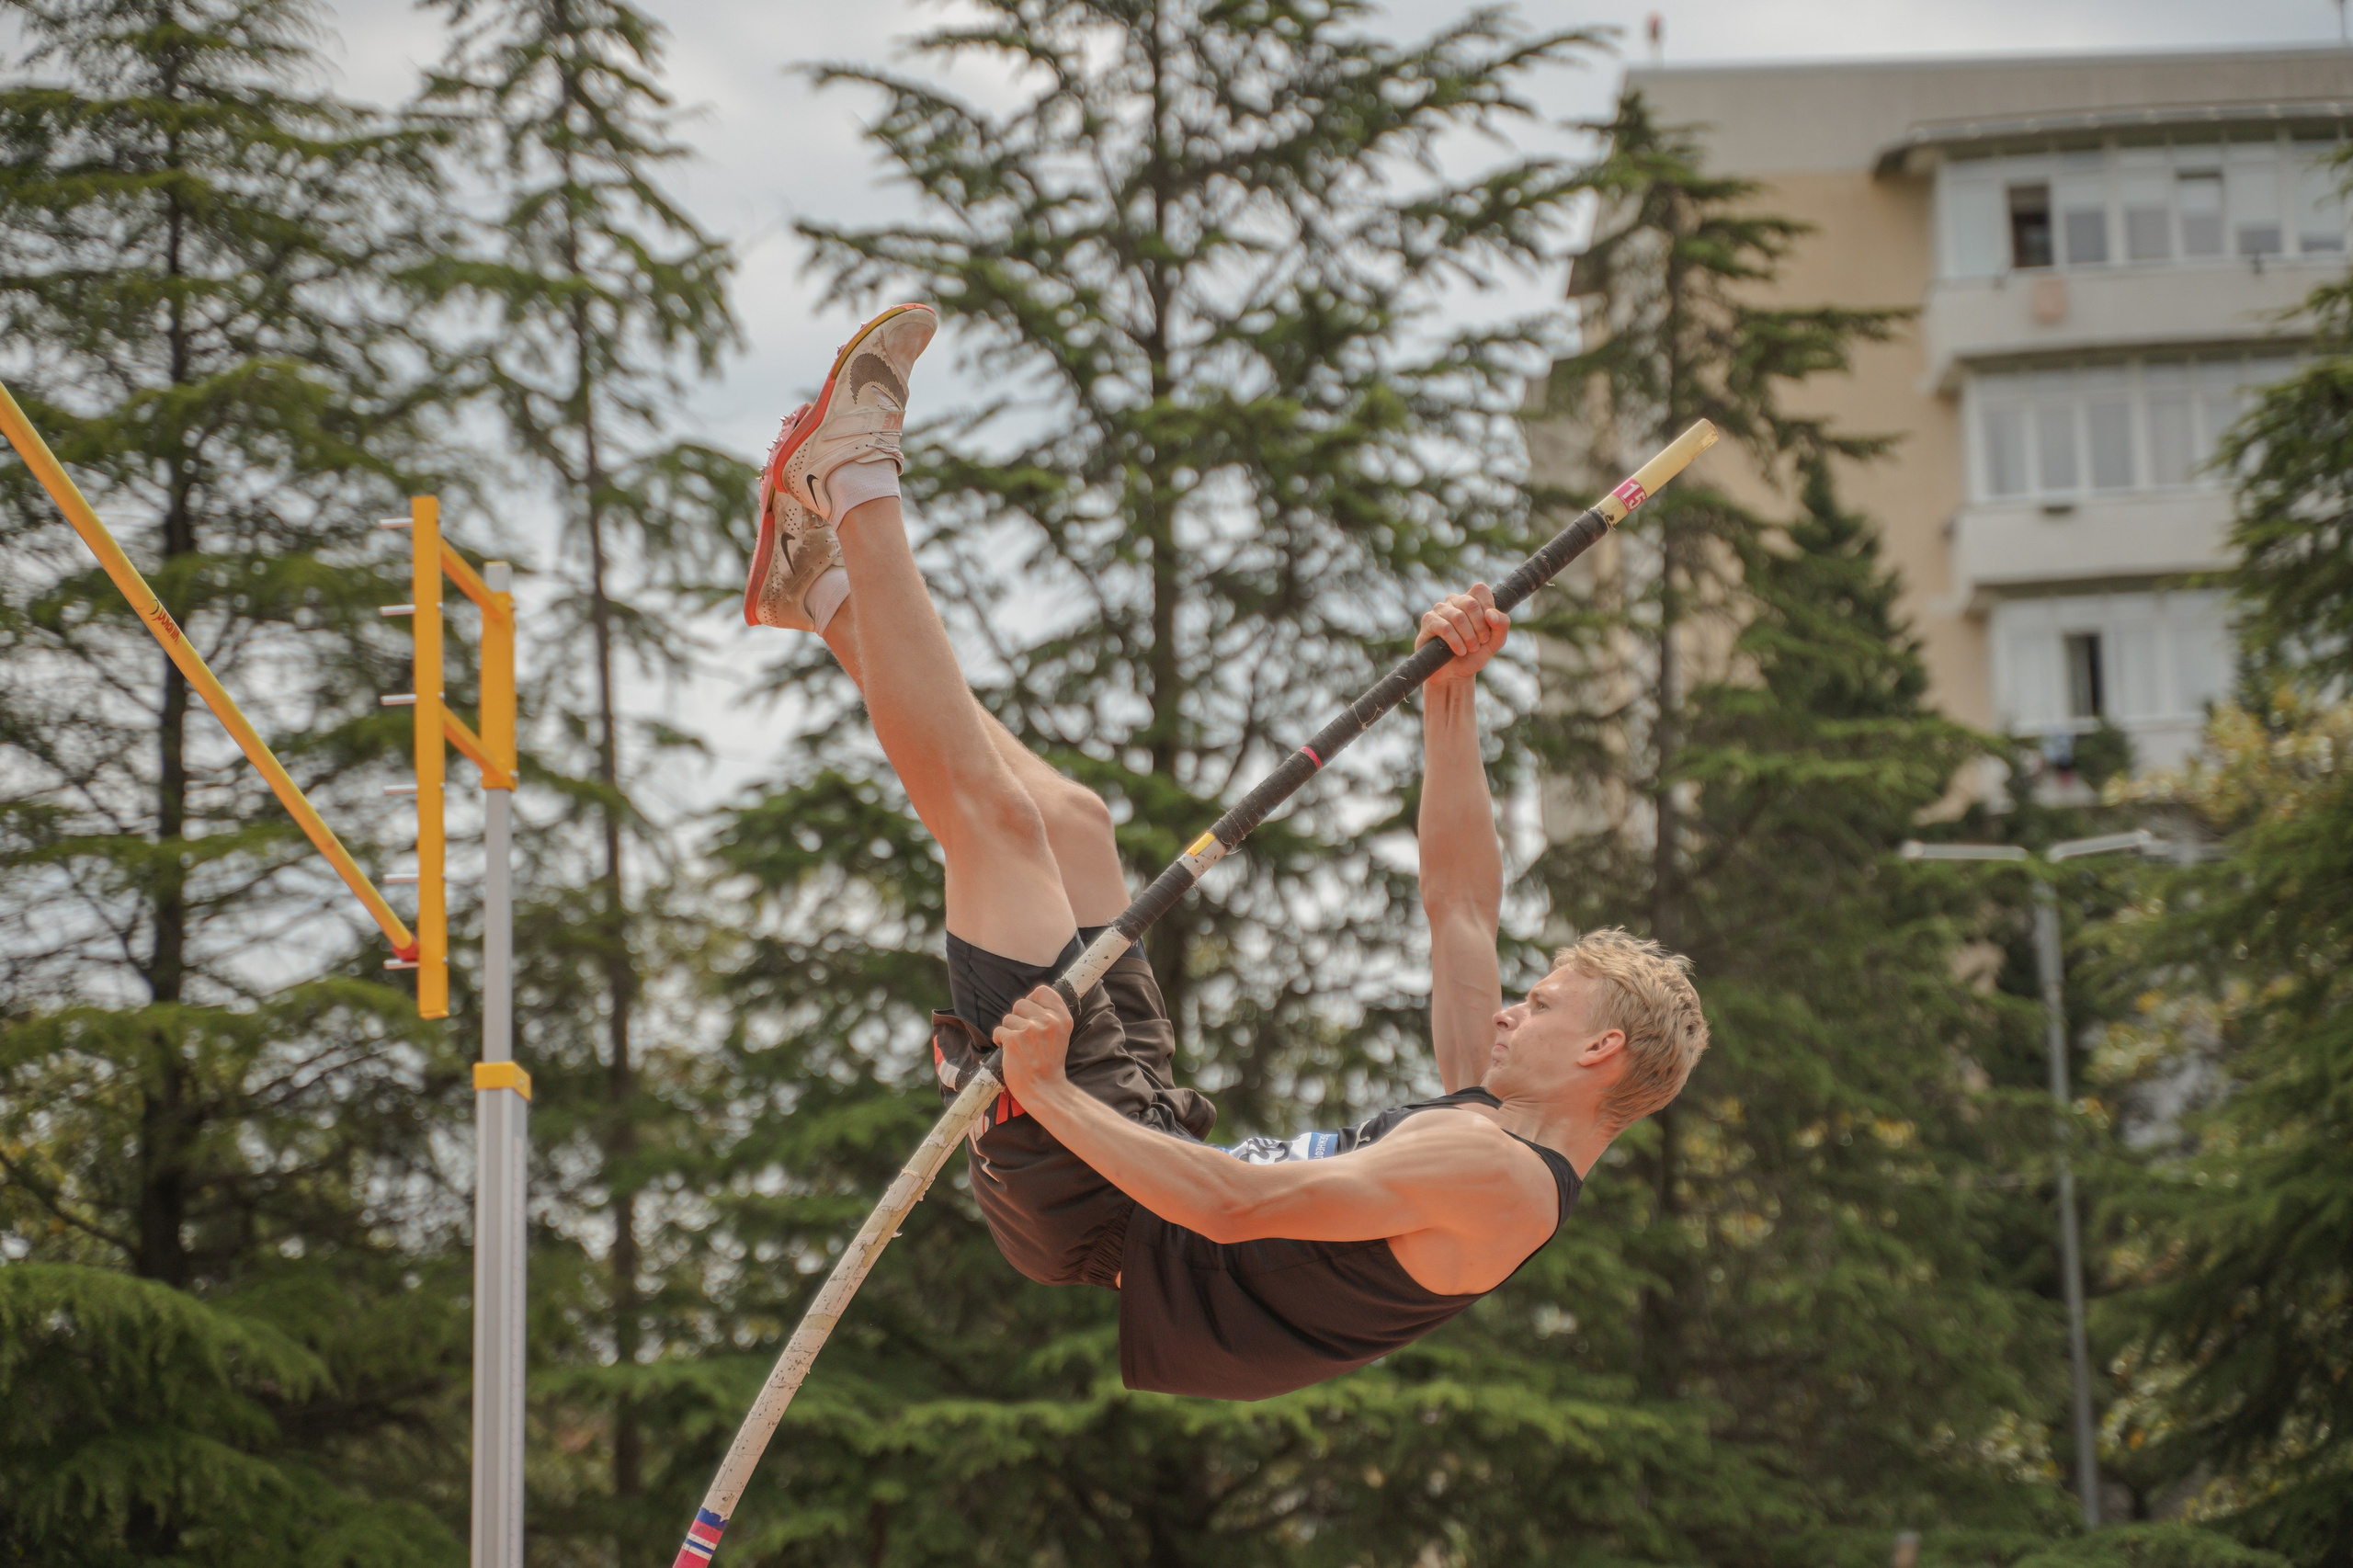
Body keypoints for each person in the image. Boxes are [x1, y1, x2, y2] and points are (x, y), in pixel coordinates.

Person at [743, 303, 1711, 1401]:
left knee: (998, 828)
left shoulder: (1496, 1178)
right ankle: (815, 586)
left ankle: (851, 473)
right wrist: (1451, 695)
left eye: (1538, 1005)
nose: (1508, 1012)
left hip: (1101, 1190)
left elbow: (1231, 1208)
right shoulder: (1481, 1119)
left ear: (1600, 1050)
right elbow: (1459, 907)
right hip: (1144, 1128)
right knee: (1073, 821)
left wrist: (1042, 1090)